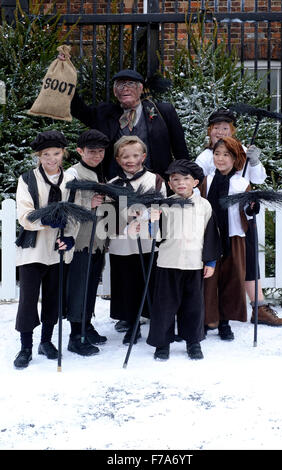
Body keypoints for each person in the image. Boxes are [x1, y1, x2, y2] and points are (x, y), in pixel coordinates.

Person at [196, 108, 282, 327]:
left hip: (241, 217)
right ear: (210, 131)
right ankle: (209, 313)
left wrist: (254, 161)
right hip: (215, 219)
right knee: (213, 266)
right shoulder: (205, 157)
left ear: (232, 130)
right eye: (216, 128)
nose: (220, 132)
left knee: (247, 262)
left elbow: (258, 178)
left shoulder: (242, 151)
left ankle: (259, 307)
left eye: (225, 128)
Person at [58, 53, 190, 179]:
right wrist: (66, 73)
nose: (125, 88)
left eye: (131, 84)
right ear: (115, 92)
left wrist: (184, 177)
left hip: (155, 182)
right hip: (116, 184)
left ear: (140, 88)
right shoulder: (105, 113)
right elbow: (78, 109)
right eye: (120, 85)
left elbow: (180, 149)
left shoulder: (163, 111)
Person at [146, 160, 221, 361]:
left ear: (195, 182)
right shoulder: (165, 205)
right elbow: (154, 236)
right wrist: (153, 219)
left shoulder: (204, 205)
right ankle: (162, 343)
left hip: (194, 263)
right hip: (168, 262)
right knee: (164, 306)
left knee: (193, 305)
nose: (181, 183)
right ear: (169, 184)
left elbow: (211, 235)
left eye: (186, 179)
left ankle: (193, 341)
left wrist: (210, 262)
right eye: (175, 179)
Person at [14, 130, 78, 368]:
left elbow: (74, 213)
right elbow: (24, 213)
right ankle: (25, 346)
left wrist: (69, 237)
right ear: (38, 156)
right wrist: (46, 220)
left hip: (58, 248)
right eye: (46, 154)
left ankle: (46, 341)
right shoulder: (27, 179)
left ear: (64, 154)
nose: (52, 159)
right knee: (28, 299)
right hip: (33, 248)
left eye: (57, 153)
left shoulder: (70, 182)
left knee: (53, 297)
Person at [108, 135, 167, 345]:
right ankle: (131, 321)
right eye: (125, 156)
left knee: (148, 280)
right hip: (123, 242)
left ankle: (152, 317)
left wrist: (149, 216)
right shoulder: (113, 184)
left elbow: (161, 208)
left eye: (135, 155)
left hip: (146, 239)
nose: (130, 160)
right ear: (117, 159)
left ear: (143, 156)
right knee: (126, 282)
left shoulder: (155, 180)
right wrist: (124, 218)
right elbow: (108, 216)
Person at [200, 137, 254, 340]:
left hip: (233, 237)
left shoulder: (241, 183)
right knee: (208, 279)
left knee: (231, 278)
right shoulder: (207, 180)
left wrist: (252, 208)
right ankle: (207, 320)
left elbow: (248, 212)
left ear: (235, 158)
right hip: (210, 237)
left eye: (226, 155)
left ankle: (224, 321)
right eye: (217, 154)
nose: (220, 159)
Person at [64, 129, 110, 356]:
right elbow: (65, 206)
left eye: (101, 151)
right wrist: (87, 203)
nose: (97, 155)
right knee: (79, 287)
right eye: (92, 151)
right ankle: (75, 335)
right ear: (80, 150)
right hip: (81, 240)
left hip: (98, 239)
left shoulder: (100, 172)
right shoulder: (73, 174)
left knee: (91, 285)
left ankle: (86, 325)